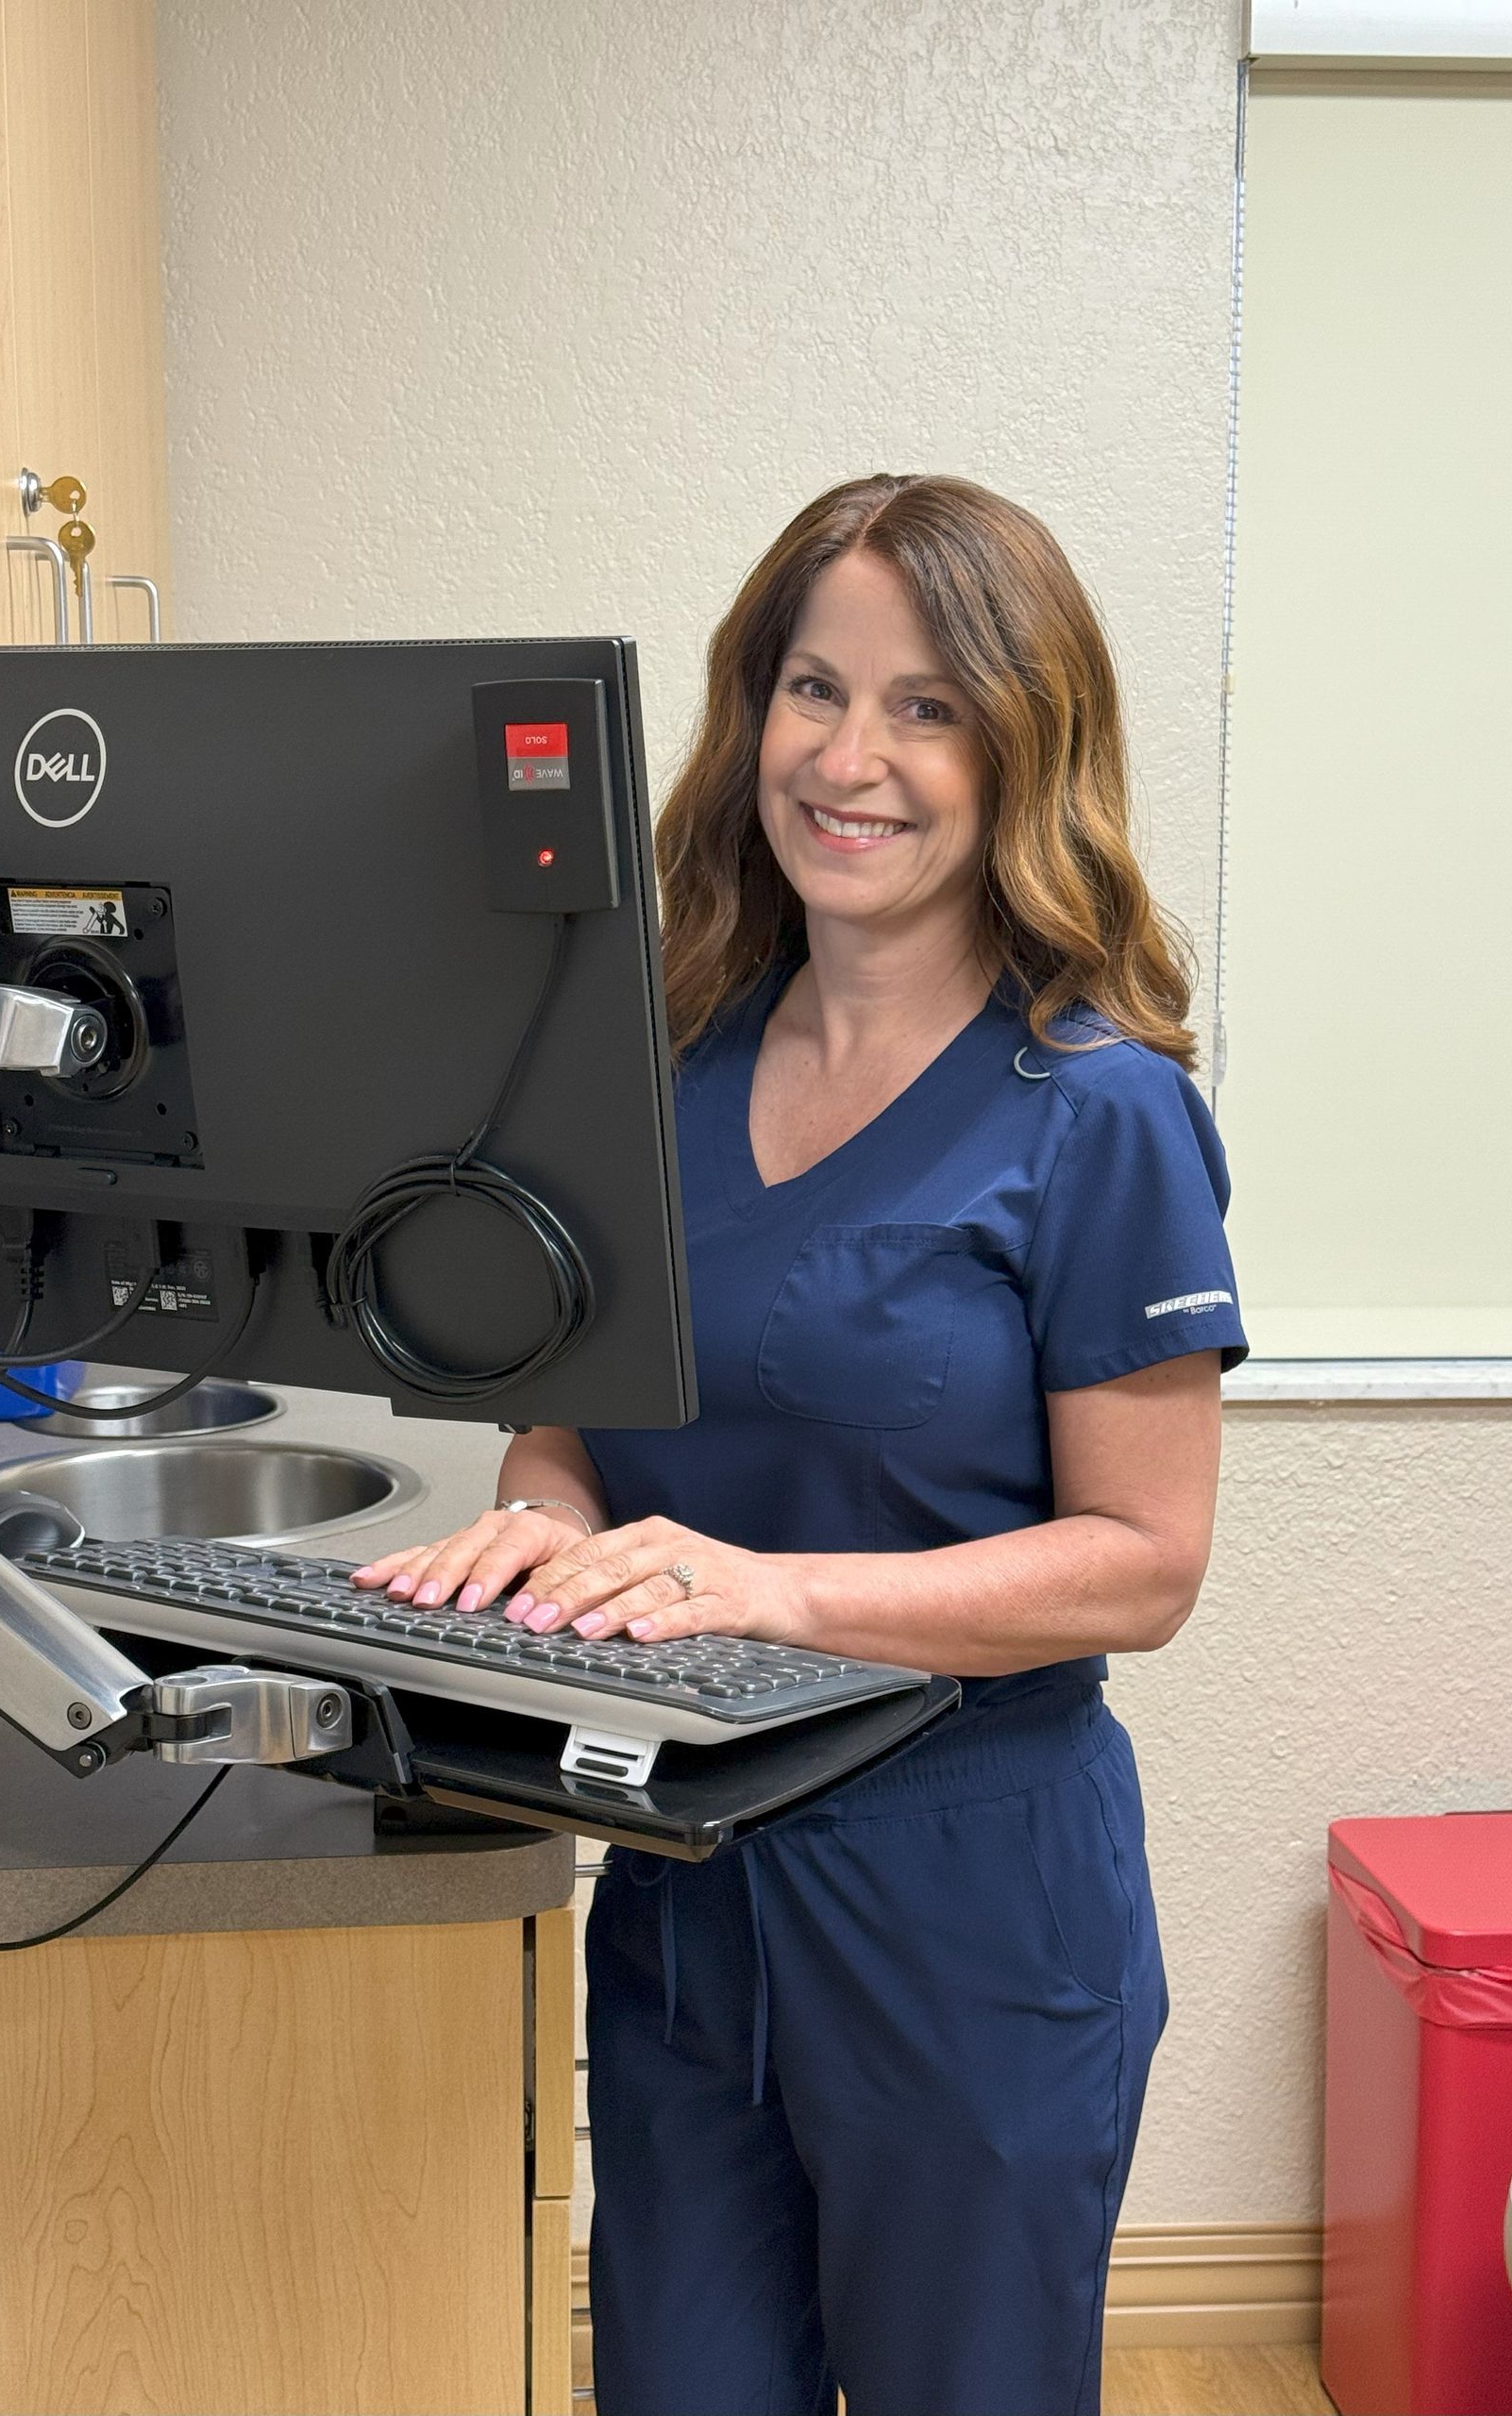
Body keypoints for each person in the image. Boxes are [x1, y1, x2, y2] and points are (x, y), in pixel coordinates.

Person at [353, 474, 1247, 2416]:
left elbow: (1145, 1559)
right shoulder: (667, 1063)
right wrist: (544, 1533)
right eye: (813, 688)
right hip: (684, 1881)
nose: (853, 758)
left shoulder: (1096, 1109)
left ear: (1027, 741)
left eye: (928, 704)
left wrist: (765, 1589)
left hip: (971, 1907)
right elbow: (569, 1430)